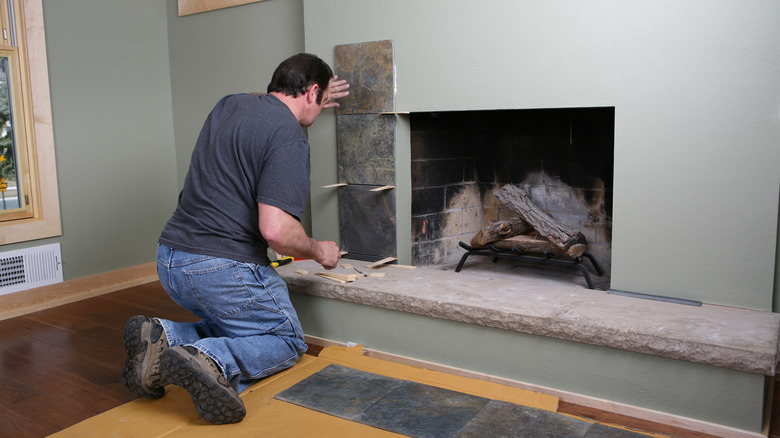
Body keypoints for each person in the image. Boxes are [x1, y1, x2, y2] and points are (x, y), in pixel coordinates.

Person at [121, 53, 349, 425]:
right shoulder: (290, 137)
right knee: (286, 341)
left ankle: (164, 336)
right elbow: (275, 231)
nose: (320, 109)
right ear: (311, 92)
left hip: (170, 260)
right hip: (220, 268)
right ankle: (212, 360)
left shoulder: (229, 104)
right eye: (321, 101)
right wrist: (320, 250)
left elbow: (267, 97)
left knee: (239, 325)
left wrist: (313, 90)